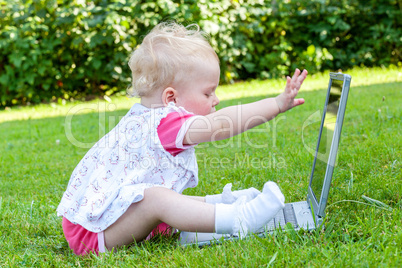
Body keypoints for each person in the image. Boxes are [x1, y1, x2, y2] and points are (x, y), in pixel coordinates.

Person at [57, 21, 308, 255]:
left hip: (97, 221)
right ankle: (238, 220)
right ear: (171, 98)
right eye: (208, 92)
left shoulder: (146, 116)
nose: (216, 100)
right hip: (93, 233)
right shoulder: (167, 121)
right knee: (157, 199)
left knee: (163, 197)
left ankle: (224, 203)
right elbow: (223, 123)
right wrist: (276, 104)